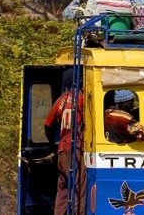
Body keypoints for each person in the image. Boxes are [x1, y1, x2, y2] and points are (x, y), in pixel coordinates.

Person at [44, 68, 85, 215]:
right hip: (75, 149)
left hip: (62, 150)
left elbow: (47, 124)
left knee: (63, 190)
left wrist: (51, 145)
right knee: (79, 188)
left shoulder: (60, 100)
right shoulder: (83, 99)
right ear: (80, 80)